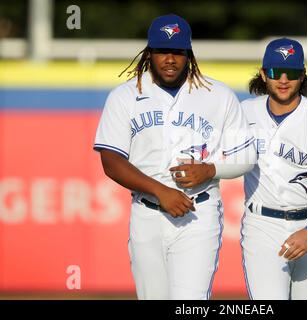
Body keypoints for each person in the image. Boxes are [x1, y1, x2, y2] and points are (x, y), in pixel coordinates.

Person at [93, 14, 256, 300]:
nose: (170, 59)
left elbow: (246, 155)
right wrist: (160, 191)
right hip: (147, 213)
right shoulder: (125, 96)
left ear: (189, 54)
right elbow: (110, 160)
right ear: (149, 53)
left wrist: (210, 169)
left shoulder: (218, 95)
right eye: (162, 51)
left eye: (178, 51)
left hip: (198, 213)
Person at [240, 38, 307, 300]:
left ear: (302, 76)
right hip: (262, 225)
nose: (283, 79)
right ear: (263, 74)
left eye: (291, 73)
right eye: (276, 72)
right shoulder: (243, 113)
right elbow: (217, 159)